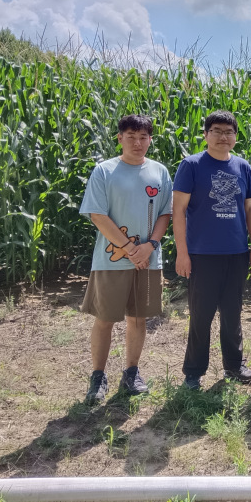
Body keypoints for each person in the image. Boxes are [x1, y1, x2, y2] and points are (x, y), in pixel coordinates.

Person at [79, 114, 172, 404]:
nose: (137, 143)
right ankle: (98, 376)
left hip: (148, 260)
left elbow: (165, 214)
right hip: (111, 260)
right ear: (120, 138)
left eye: (143, 137)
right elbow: (97, 215)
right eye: (131, 136)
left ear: (150, 140)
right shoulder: (105, 171)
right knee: (104, 319)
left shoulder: (159, 172)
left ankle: (131, 372)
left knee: (138, 318)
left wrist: (150, 246)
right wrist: (131, 249)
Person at [173, 110, 251, 390]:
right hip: (202, 254)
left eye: (229, 132)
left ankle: (234, 366)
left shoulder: (242, 167)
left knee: (233, 313)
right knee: (201, 315)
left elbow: (250, 209)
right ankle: (193, 372)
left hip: (236, 253)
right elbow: (178, 211)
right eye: (217, 131)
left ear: (235, 136)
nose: (224, 137)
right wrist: (182, 252)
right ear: (206, 135)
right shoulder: (191, 165)